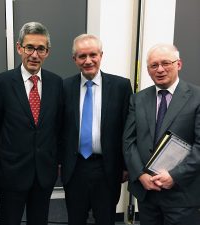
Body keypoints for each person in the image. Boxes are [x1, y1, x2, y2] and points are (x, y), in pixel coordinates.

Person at [0, 22, 63, 225]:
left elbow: (57, 127)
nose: (34, 54)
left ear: (47, 52)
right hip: (11, 173)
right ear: (19, 47)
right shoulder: (1, 83)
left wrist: (54, 160)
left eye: (41, 49)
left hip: (43, 174)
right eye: (29, 47)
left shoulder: (56, 83)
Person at [123, 43, 200, 225]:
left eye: (166, 63)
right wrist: (140, 174)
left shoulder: (197, 97)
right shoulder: (138, 99)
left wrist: (175, 176)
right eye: (154, 65)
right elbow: (128, 141)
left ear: (178, 64)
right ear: (148, 70)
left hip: (182, 194)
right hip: (147, 193)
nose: (160, 69)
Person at [60, 34, 132, 225]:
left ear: (101, 55)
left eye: (93, 54)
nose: (88, 60)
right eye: (82, 56)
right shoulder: (64, 87)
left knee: (105, 219)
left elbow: (127, 128)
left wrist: (125, 166)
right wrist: (59, 162)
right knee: (75, 219)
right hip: (75, 168)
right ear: (74, 59)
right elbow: (58, 128)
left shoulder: (121, 86)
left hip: (107, 168)